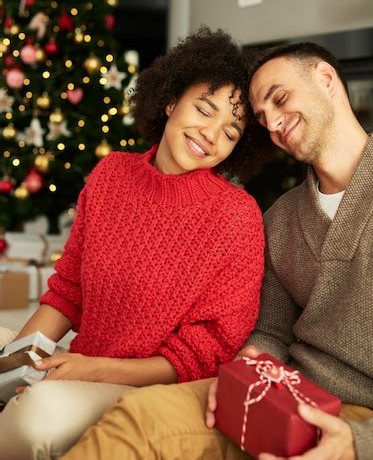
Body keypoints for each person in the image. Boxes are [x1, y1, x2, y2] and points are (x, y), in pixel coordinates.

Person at [61, 42, 373, 460]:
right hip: (280, 398)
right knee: (138, 418)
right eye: (263, 119)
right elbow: (270, 332)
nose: (275, 122)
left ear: (326, 79)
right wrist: (248, 371)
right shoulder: (283, 218)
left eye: (280, 98)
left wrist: (362, 443)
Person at [0, 26, 267, 460]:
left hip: (151, 392)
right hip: (82, 363)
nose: (211, 134)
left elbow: (204, 354)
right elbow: (69, 292)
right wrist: (10, 369)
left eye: (231, 132)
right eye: (204, 109)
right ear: (170, 101)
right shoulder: (112, 175)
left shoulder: (237, 218)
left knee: (36, 417)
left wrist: (92, 370)